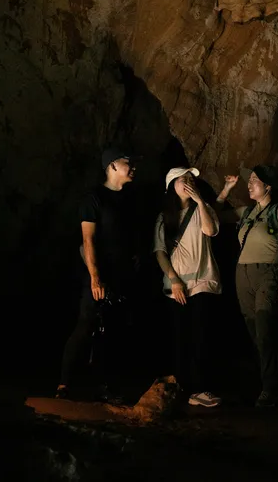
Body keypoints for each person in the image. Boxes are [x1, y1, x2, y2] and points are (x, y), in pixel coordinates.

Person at [57, 148, 138, 401]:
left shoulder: (129, 199)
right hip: (98, 275)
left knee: (112, 331)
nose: (133, 166)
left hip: (121, 276)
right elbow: (87, 240)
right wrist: (95, 277)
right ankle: (64, 384)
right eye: (128, 162)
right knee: (86, 326)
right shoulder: (94, 198)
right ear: (112, 166)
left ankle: (103, 387)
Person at [217, 166, 278, 408]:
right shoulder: (246, 212)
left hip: (269, 273)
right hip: (243, 274)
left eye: (255, 181)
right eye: (249, 181)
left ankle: (271, 388)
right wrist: (226, 189)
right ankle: (270, 385)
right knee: (254, 332)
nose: (250, 184)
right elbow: (213, 214)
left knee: (265, 329)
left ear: (268, 186)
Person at [154, 167, 223, 408]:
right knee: (180, 338)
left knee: (201, 336)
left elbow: (211, 230)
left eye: (191, 179)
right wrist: (174, 280)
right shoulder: (164, 217)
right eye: (183, 179)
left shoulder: (202, 208)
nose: (188, 182)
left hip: (203, 281)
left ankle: (201, 389)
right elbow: (160, 252)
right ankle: (182, 389)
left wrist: (200, 201)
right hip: (177, 286)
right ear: (171, 184)